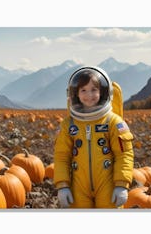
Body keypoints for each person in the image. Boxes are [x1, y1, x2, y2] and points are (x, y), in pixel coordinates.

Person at [53, 66, 134, 208]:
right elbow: (62, 156)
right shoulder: (69, 124)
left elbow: (124, 154)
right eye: (83, 90)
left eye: (94, 90)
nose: (88, 95)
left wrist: (121, 184)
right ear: (75, 93)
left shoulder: (113, 122)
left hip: (107, 184)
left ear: (103, 92)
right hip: (78, 186)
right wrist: (62, 185)